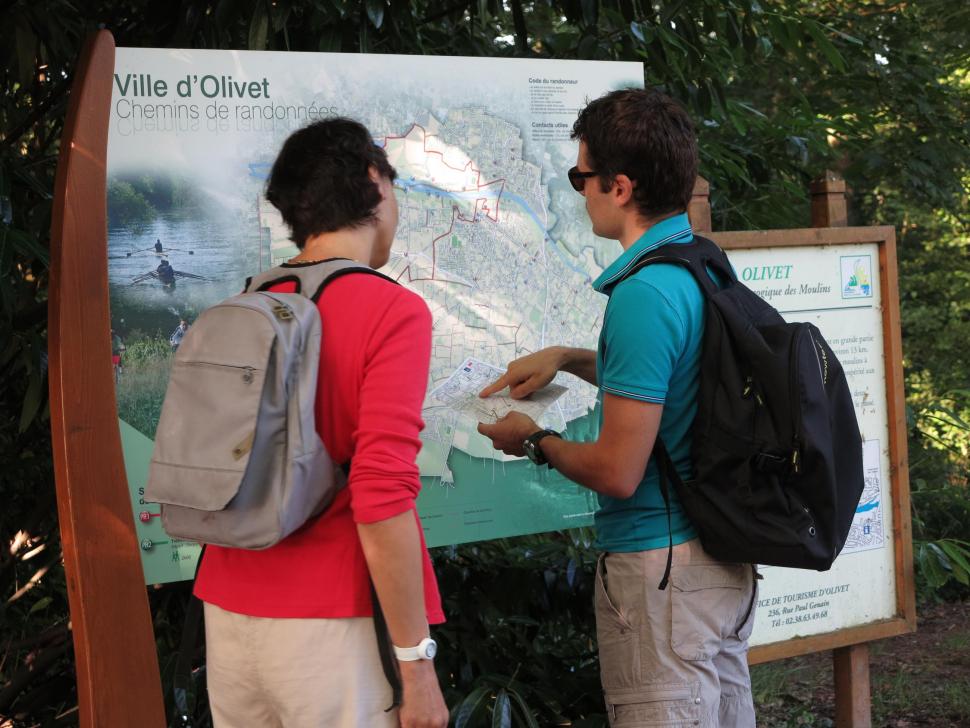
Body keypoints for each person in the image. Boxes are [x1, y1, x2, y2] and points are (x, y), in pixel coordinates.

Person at [477, 89, 758, 727]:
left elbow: (618, 471)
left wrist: (532, 439)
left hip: (661, 577)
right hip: (718, 562)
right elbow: (673, 376)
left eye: (582, 177)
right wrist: (571, 357)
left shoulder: (643, 294)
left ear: (620, 186)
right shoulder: (699, 265)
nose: (580, 191)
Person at [193, 118, 449, 728]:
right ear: (374, 184)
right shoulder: (391, 310)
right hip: (332, 627)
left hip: (228, 614)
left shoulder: (245, 301)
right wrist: (416, 666)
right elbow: (382, 495)